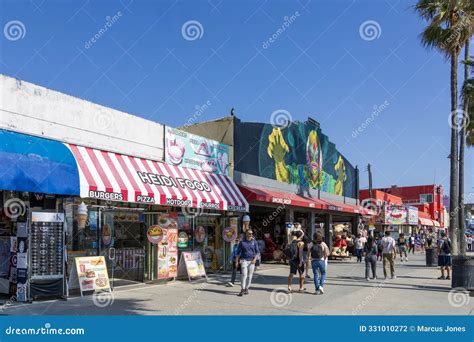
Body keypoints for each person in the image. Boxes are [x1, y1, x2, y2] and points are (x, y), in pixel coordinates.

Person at [235, 230, 260, 296]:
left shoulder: (254, 242)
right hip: (244, 260)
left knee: (250, 276)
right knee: (244, 275)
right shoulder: (242, 242)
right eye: (249, 233)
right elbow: (237, 253)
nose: (251, 234)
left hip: (252, 261)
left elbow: (257, 252)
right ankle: (242, 289)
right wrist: (236, 261)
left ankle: (247, 288)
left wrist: (255, 259)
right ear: (246, 234)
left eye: (252, 233)